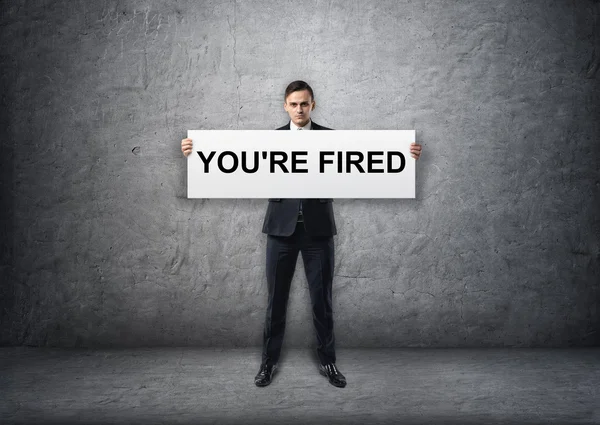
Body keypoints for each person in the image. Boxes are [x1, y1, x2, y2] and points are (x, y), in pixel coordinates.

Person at [181, 80, 422, 389]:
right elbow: (237, 170)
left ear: (313, 105)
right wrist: (196, 153)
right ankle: (268, 363)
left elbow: (362, 172)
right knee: (275, 301)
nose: (299, 109)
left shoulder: (331, 140)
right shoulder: (271, 142)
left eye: (304, 104)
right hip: (281, 231)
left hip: (318, 232)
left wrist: (404, 157)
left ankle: (328, 361)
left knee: (322, 301)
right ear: (285, 106)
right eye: (293, 104)